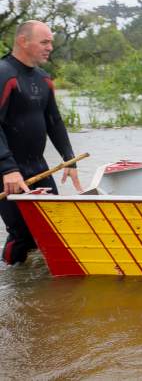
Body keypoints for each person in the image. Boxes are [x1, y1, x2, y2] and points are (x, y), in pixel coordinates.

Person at [0, 21, 82, 265]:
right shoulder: (4, 74)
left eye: (51, 42)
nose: (50, 48)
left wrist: (69, 159)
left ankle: (40, 285)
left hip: (38, 167)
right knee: (22, 235)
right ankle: (10, 285)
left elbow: (54, 122)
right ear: (23, 41)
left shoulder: (43, 79)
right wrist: (8, 169)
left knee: (51, 227)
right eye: (44, 42)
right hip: (8, 171)